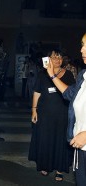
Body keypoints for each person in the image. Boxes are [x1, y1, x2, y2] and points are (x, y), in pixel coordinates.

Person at [28, 49, 75, 182]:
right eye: (54, 57)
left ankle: (60, 169)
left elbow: (72, 93)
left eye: (60, 58)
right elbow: (37, 93)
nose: (57, 60)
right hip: (45, 114)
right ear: (48, 59)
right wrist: (34, 110)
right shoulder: (43, 74)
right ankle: (45, 165)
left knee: (61, 141)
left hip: (63, 114)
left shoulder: (69, 74)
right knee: (45, 139)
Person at [46, 34, 86, 186]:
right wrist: (52, 75)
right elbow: (69, 93)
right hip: (81, 148)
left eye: (85, 45)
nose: (82, 49)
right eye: (82, 45)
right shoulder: (83, 75)